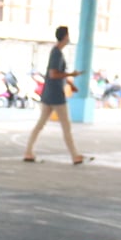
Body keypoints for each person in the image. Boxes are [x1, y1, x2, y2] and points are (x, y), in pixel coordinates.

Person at [23, 23, 85, 165]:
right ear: (65, 36)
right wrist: (71, 74)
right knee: (66, 127)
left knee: (40, 124)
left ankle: (28, 151)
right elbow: (53, 74)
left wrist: (70, 83)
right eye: (68, 35)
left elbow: (57, 73)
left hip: (48, 94)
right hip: (56, 96)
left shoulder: (56, 52)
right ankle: (75, 155)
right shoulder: (57, 53)